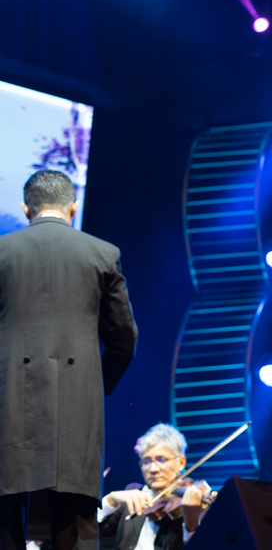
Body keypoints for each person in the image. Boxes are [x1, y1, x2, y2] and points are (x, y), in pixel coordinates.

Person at [0, 170, 138, 550]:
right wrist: (96, 384)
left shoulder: (3, 252)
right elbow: (124, 338)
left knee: (3, 522)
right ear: (73, 208)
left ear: (26, 208)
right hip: (77, 411)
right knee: (76, 528)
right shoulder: (102, 254)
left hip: (7, 407)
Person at [98, 424, 209, 550]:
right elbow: (93, 532)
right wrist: (111, 499)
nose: (153, 469)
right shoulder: (132, 495)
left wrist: (192, 524)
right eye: (146, 461)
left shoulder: (196, 503)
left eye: (161, 460)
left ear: (181, 462)